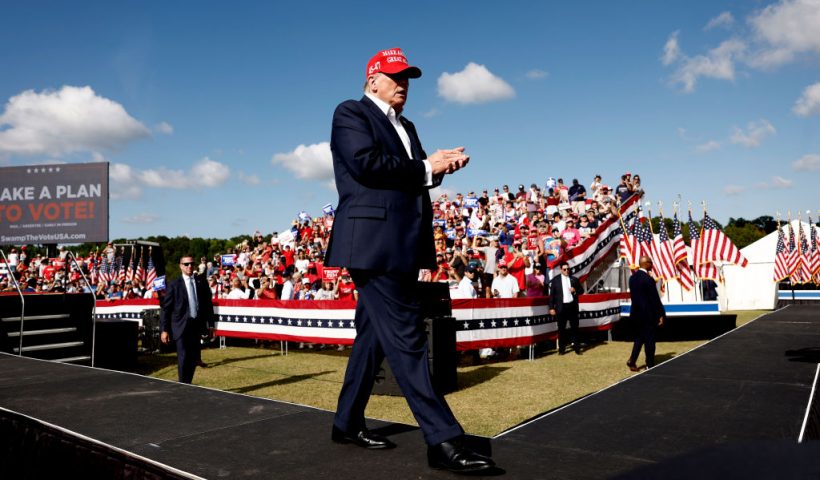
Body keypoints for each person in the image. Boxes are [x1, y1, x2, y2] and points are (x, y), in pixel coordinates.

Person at [324, 47, 494, 473]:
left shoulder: (408, 126)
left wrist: (439, 169)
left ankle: (346, 422)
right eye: (395, 76)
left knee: (374, 336)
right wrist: (425, 166)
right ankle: (442, 439)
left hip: (399, 242)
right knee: (408, 338)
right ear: (372, 80)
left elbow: (409, 177)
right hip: (371, 245)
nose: (403, 84)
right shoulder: (351, 113)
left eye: (408, 78)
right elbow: (367, 165)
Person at [160, 255, 215, 384]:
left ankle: (187, 385)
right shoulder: (174, 284)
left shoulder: (200, 282)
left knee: (193, 358)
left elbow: (208, 305)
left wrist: (211, 325)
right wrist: (164, 329)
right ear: (180, 266)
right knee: (183, 357)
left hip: (195, 325)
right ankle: (183, 386)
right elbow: (166, 309)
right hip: (180, 326)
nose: (189, 266)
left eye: (191, 264)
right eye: (186, 264)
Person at [627, 256, 666, 371]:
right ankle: (650, 364)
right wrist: (661, 314)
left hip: (636, 314)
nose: (652, 264)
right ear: (647, 264)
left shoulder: (632, 278)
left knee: (639, 338)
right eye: (651, 262)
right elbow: (654, 299)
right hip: (648, 315)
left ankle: (632, 360)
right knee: (650, 340)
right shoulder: (648, 279)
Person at [548, 262, 584, 354]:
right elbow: (552, 295)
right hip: (561, 307)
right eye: (564, 269)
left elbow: (581, 290)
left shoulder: (574, 279)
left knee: (575, 328)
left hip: (572, 306)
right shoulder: (555, 280)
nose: (567, 271)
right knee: (561, 329)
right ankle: (562, 349)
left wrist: (575, 290)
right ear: (561, 270)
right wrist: (551, 308)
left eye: (568, 269)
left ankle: (577, 348)